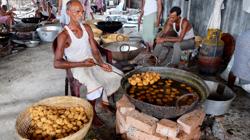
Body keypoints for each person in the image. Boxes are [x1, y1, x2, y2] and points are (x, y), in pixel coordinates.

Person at [54, 0, 122, 126]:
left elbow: (95, 50)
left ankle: (104, 101)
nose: (81, 15)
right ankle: (92, 114)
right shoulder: (64, 35)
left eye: (82, 12)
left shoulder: (86, 28)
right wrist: (83, 64)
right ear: (68, 12)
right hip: (77, 67)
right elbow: (57, 63)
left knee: (117, 75)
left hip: (92, 62)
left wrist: (101, 63)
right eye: (77, 12)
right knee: (95, 85)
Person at [228, 30, 250, 95]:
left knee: (235, 68)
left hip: (240, 52)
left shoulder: (244, 33)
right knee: (238, 68)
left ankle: (229, 87)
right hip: (245, 48)